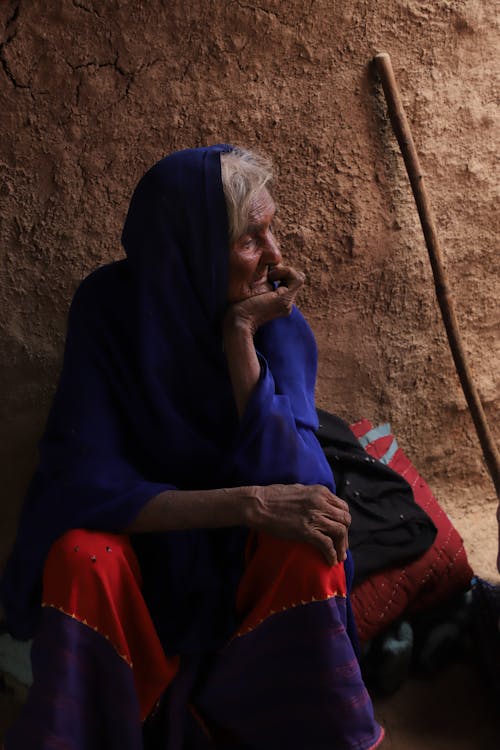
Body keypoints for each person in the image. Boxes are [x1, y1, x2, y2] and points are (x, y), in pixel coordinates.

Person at [1, 145, 384, 749]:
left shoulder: (272, 317)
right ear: (193, 248)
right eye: (250, 239)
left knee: (311, 550)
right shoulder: (108, 310)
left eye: (272, 229)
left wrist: (239, 337)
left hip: (237, 569)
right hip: (144, 556)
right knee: (81, 557)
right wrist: (247, 503)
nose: (276, 256)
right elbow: (82, 487)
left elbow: (302, 483)